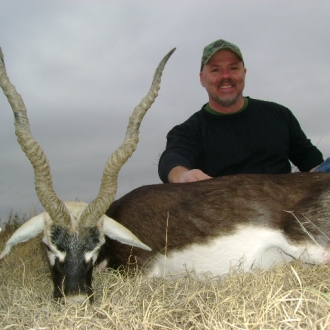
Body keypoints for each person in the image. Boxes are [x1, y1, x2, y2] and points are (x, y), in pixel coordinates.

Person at [158, 39, 327, 183]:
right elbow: (172, 160)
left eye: (233, 68)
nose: (226, 76)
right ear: (203, 78)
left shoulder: (279, 115)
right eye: (216, 70)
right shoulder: (189, 131)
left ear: (243, 73)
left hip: (285, 209)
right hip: (227, 213)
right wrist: (184, 175)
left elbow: (309, 159)